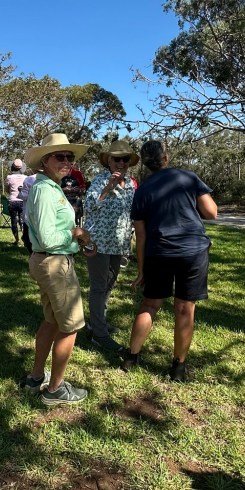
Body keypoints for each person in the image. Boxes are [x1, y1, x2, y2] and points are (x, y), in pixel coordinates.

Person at [120, 140, 217, 382]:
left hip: (158, 252)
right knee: (185, 308)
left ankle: (131, 357)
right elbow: (211, 212)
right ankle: (178, 367)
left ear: (145, 162)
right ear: (166, 157)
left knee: (150, 305)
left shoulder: (142, 190)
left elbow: (140, 235)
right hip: (193, 251)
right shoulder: (188, 177)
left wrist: (141, 270)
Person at [19, 133, 96, 406]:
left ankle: (36, 377)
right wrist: (75, 234)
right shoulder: (44, 190)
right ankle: (55, 389)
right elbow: (48, 237)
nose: (66, 161)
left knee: (52, 320)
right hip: (53, 262)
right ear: (45, 160)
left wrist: (78, 241)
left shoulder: (52, 187)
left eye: (69, 157)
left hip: (51, 260)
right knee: (70, 326)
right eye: (59, 156)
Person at [83, 140, 139, 352]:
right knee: (99, 287)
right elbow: (89, 206)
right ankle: (99, 334)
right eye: (117, 159)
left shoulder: (131, 183)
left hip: (118, 243)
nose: (121, 163)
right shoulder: (100, 180)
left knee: (109, 285)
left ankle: (97, 322)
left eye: (125, 159)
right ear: (109, 161)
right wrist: (108, 187)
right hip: (98, 242)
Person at [4, 159, 27, 245]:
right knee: (23, 221)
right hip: (22, 201)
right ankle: (25, 239)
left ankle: (17, 240)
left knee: (13, 220)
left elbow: (7, 189)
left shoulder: (9, 177)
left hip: (12, 201)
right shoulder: (26, 178)